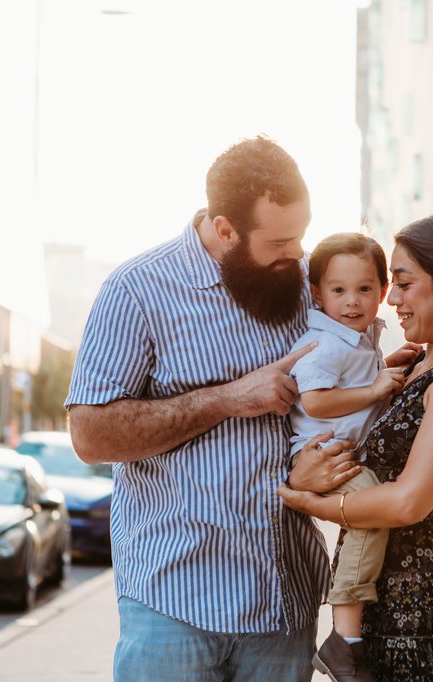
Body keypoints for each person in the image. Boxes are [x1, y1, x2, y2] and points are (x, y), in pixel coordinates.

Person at [66, 135, 361, 682]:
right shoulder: (136, 290)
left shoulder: (305, 287)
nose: (299, 253)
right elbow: (90, 435)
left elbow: (347, 382)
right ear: (224, 229)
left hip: (283, 603)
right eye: (280, 241)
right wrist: (229, 398)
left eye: (302, 234)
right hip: (173, 606)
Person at [280, 211, 433, 681]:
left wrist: (310, 501)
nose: (390, 299)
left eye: (402, 283)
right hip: (382, 593)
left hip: (427, 603)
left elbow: (408, 501)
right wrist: (305, 472)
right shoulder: (415, 365)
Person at [285, 233, 420, 680]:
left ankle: (345, 634)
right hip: (324, 453)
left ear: (383, 291)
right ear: (317, 293)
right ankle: (343, 640)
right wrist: (374, 388)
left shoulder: (362, 338)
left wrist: (387, 369)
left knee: (370, 510)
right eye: (338, 290)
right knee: (370, 512)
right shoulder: (326, 341)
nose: (351, 301)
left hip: (345, 451)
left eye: (364, 289)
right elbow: (318, 402)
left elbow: (362, 384)